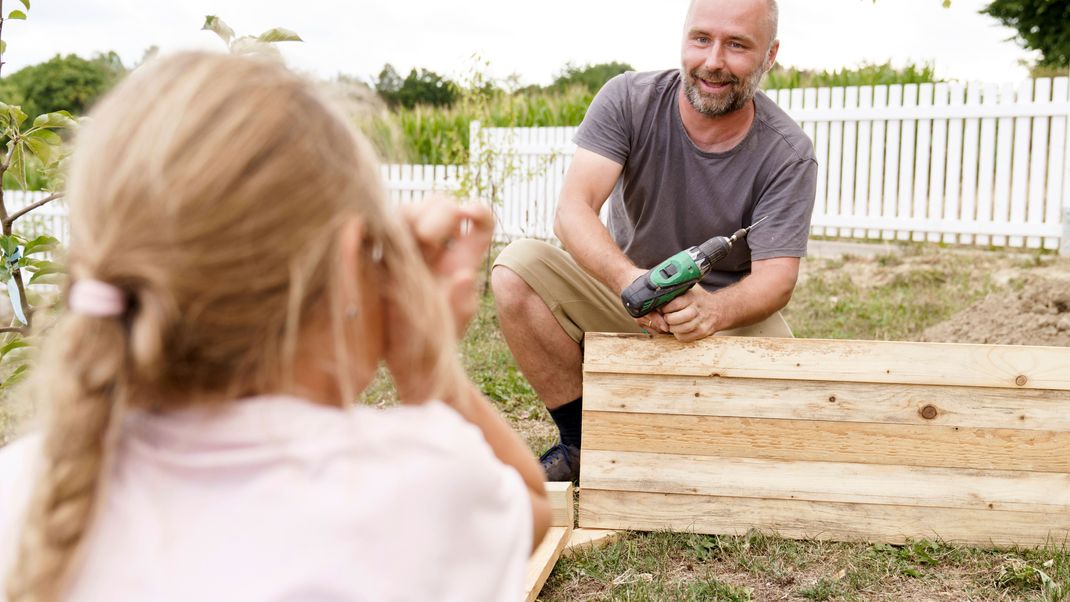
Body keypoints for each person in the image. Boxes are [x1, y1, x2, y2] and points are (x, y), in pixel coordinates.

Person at [0, 52, 550, 602]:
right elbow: (531, 505)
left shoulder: (23, 489)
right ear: (345, 259)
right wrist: (424, 361)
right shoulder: (413, 485)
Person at [492, 0, 818, 482]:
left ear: (770, 56)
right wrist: (633, 283)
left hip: (722, 321)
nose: (713, 61)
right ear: (684, 38)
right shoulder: (628, 98)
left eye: (737, 46)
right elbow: (573, 210)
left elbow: (777, 280)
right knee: (516, 268)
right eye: (702, 39)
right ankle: (583, 443)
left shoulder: (787, 154)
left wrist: (712, 311)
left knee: (788, 415)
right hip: (626, 300)